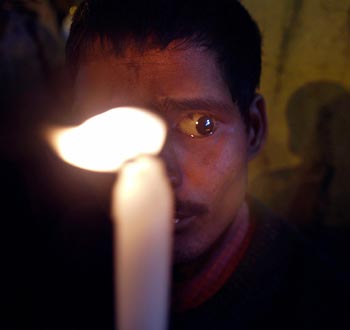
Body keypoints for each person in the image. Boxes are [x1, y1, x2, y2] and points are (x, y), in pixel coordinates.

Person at [8, 1, 347, 329]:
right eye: (116, 127)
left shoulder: (322, 308)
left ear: (254, 129)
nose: (159, 172)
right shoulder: (62, 258)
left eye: (202, 125)